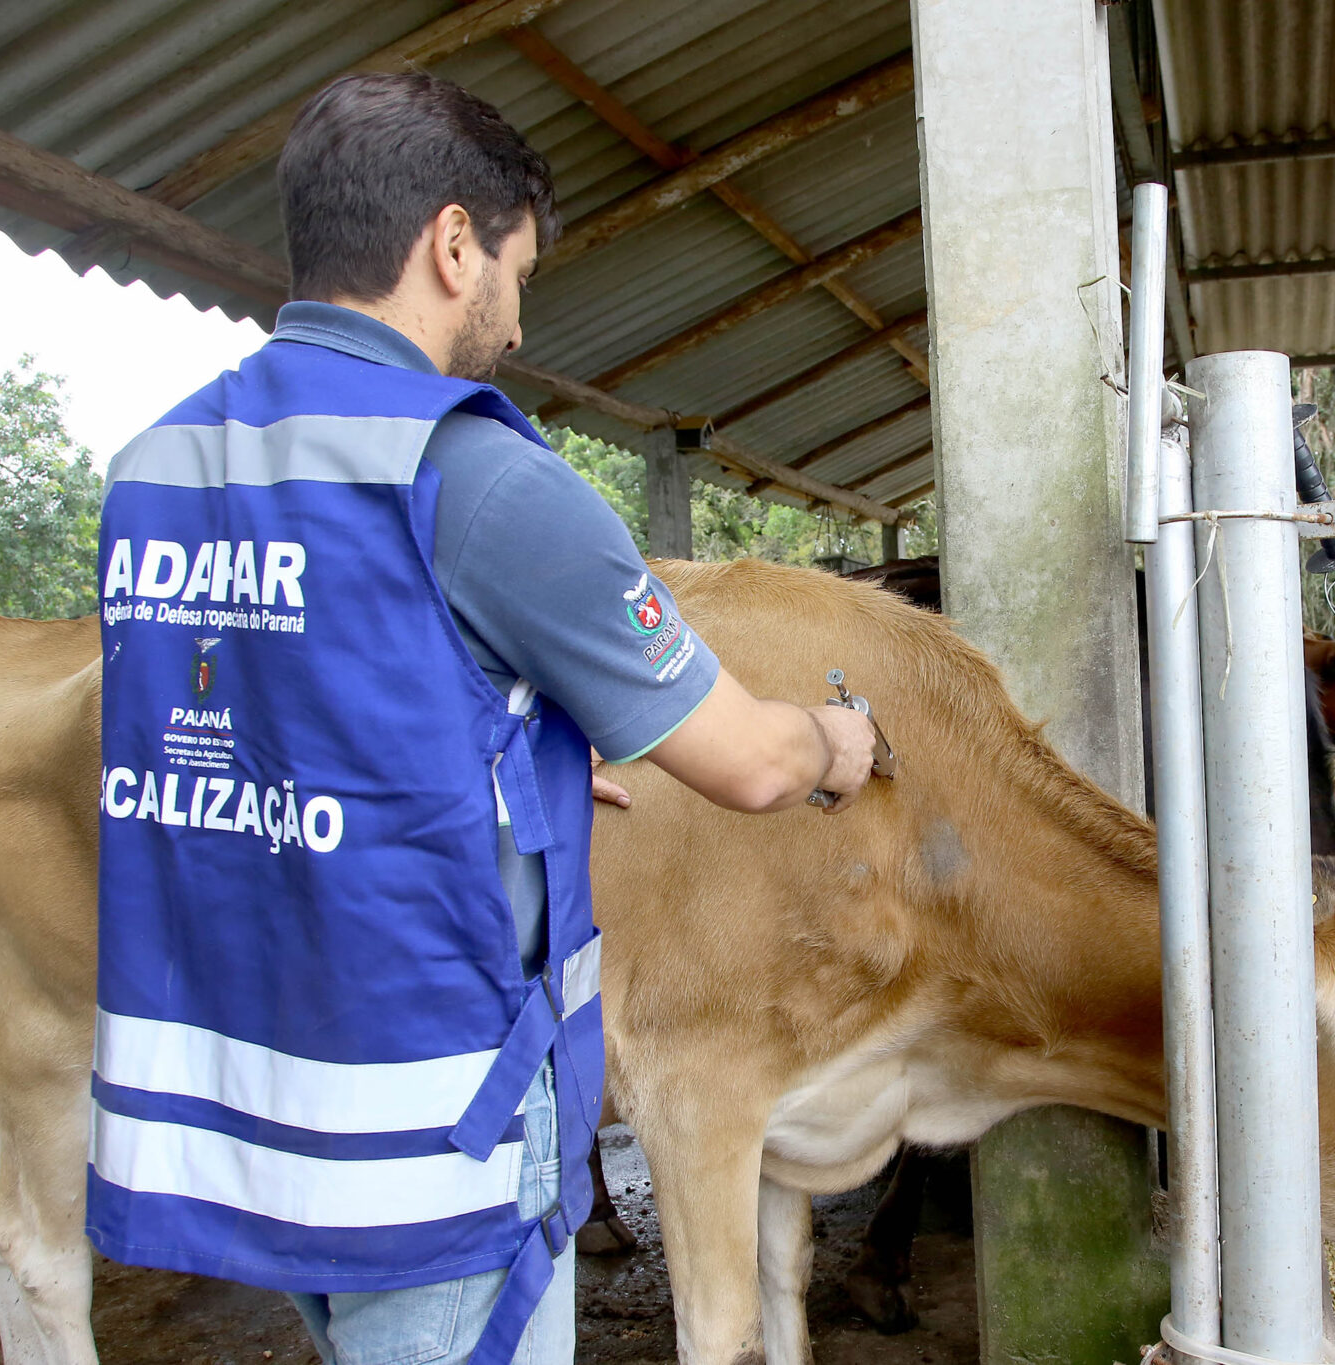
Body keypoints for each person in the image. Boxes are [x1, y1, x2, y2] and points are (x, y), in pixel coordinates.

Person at [88, 71, 879, 1365]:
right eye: (515, 269)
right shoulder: (481, 475)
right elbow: (742, 761)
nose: (514, 319)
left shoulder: (163, 464)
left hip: (256, 1120)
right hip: (426, 1144)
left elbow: (283, 713)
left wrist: (515, 763)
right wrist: (840, 745)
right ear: (453, 245)